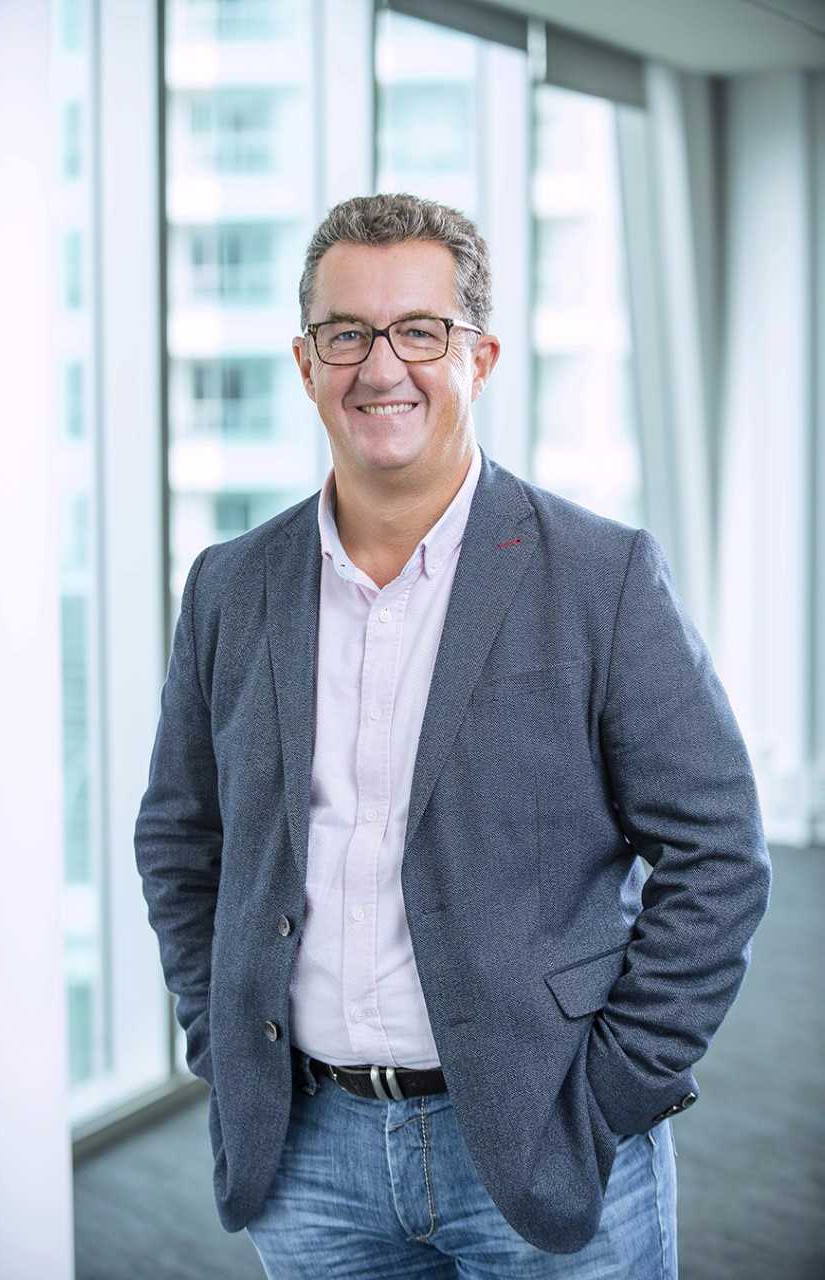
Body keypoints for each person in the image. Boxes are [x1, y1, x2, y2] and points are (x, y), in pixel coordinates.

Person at [134, 192, 772, 1278]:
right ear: (304, 362)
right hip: (306, 1156)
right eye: (347, 333)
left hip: (545, 1134)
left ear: (478, 357)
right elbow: (179, 837)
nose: (380, 366)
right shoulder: (230, 586)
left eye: (419, 331)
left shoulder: (600, 575)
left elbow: (717, 852)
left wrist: (613, 1087)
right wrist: (219, 1031)